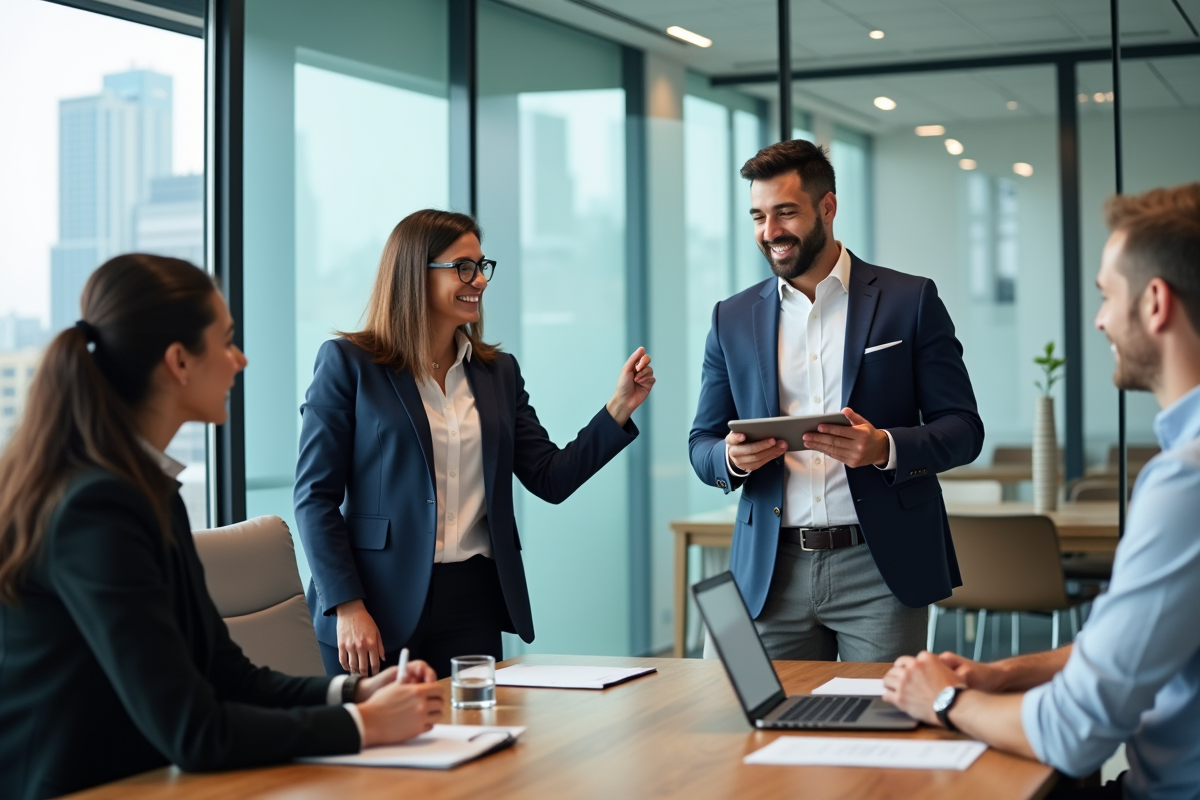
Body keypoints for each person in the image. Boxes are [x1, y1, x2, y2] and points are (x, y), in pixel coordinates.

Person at [0, 255, 444, 800]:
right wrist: (367, 728)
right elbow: (196, 730)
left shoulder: (147, 492)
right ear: (178, 362)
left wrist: (356, 693)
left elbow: (226, 675)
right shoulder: (97, 509)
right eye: (227, 340)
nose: (241, 360)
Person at [882, 183, 1200, 800]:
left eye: (1107, 295)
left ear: (1156, 302)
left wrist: (945, 699)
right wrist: (1001, 674)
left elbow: (1073, 732)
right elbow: (1119, 648)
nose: (1100, 319)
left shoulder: (1185, 481)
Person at [295, 209, 654, 679]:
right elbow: (314, 498)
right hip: (372, 602)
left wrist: (618, 410)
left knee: (481, 740)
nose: (479, 280)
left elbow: (550, 476)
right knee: (382, 748)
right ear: (413, 274)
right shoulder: (349, 363)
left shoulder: (496, 373)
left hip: (473, 602)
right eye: (463, 267)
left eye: (482, 266)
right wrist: (346, 605)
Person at [689, 139, 983, 662]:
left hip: (880, 568)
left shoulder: (909, 300)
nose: (769, 231)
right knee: (751, 728)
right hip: (767, 571)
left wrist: (884, 447)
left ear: (827, 207)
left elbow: (963, 428)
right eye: (758, 215)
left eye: (785, 213)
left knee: (883, 732)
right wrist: (730, 459)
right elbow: (701, 444)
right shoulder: (729, 318)